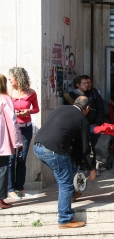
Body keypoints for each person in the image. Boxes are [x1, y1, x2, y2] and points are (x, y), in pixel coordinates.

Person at [33, 96, 96, 229]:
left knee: (68, 171)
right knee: (65, 183)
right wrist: (91, 168)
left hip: (38, 147)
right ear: (87, 108)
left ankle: (72, 195)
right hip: (54, 151)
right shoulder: (82, 120)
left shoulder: (60, 108)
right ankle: (65, 219)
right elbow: (86, 147)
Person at [7, 67, 39, 199]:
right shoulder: (8, 93)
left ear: (18, 78)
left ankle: (21, 187)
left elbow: (36, 108)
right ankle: (10, 189)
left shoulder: (31, 92)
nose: (9, 80)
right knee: (11, 159)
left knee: (22, 158)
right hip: (13, 128)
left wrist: (28, 112)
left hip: (26, 128)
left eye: (11, 78)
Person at [0, 74, 23, 209]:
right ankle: (0, 199)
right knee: (2, 168)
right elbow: (12, 121)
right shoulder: (5, 99)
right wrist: (17, 141)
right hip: (2, 140)